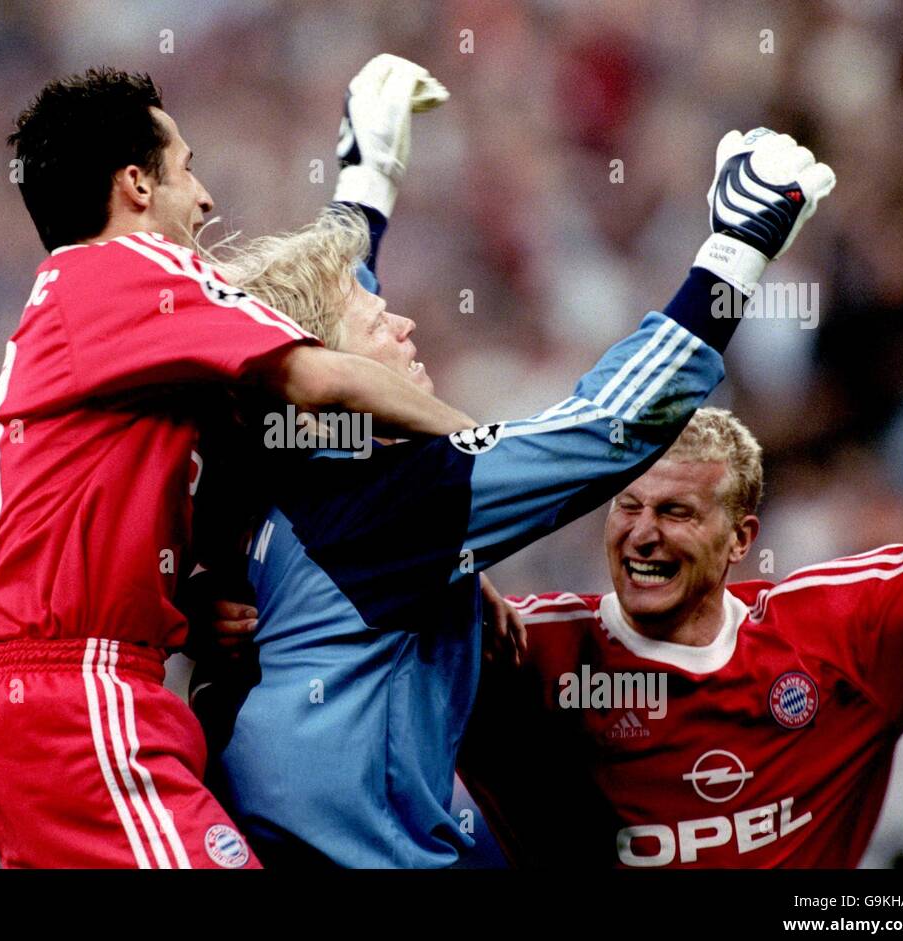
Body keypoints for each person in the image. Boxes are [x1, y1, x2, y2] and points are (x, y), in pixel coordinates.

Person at [190, 121, 837, 866]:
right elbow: (607, 425)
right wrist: (735, 247)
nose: (402, 322)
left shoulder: (285, 494)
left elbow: (310, 331)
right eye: (375, 322)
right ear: (329, 376)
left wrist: (367, 178)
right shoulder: (378, 500)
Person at [0, 65, 475, 869]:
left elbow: (304, 304)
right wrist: (479, 450)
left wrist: (188, 601)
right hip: (84, 710)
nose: (205, 199)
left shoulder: (80, 315)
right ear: (136, 182)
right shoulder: (126, 274)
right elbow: (319, 365)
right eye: (188, 166)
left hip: (61, 702)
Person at [457, 408, 903, 867]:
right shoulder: (523, 651)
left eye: (675, 512)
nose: (641, 533)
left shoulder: (842, 632)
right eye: (628, 506)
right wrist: (444, 568)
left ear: (740, 539)